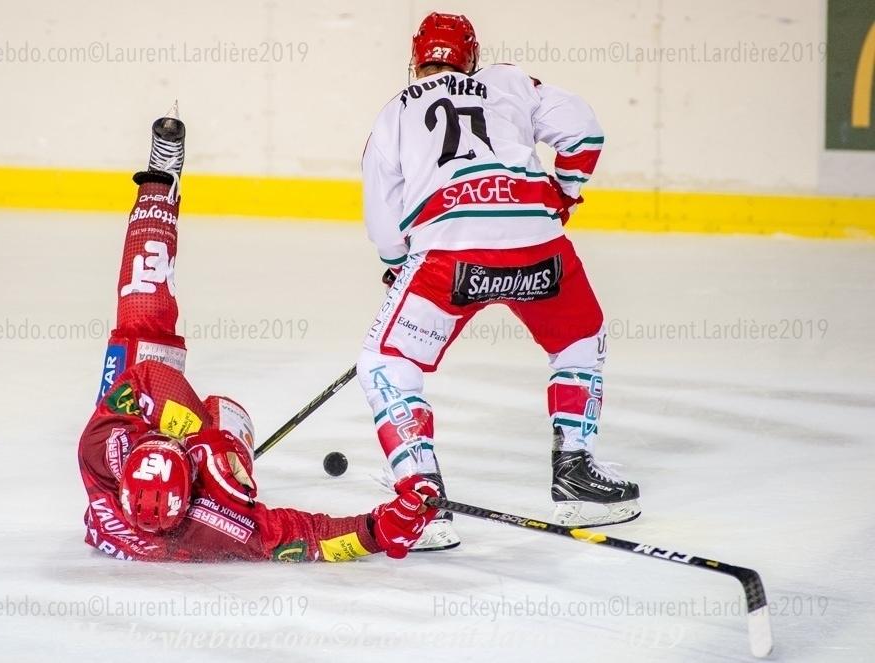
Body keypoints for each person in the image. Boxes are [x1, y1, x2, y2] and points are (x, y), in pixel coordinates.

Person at [78, 107, 437, 562]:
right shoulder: (213, 527)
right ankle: (228, 446)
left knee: (141, 315)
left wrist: (197, 440)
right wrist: (378, 530)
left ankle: (158, 184)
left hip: (157, 440)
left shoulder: (101, 447)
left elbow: (147, 377)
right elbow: (303, 537)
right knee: (230, 423)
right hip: (210, 447)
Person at [358, 13, 640, 551]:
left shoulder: (395, 110)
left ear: (416, 59)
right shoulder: (511, 80)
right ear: (473, 56)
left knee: (386, 365)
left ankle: (421, 500)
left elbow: (383, 218)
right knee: (579, 339)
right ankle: (576, 471)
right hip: (538, 245)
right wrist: (564, 193)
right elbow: (584, 131)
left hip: (448, 256)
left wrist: (397, 263)